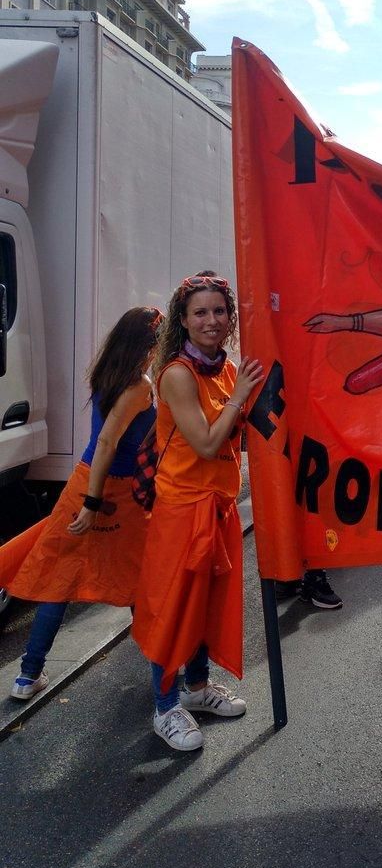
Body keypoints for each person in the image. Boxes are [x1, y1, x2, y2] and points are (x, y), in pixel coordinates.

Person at [1, 307, 163, 700]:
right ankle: (162, 674)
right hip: (114, 492)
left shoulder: (107, 373)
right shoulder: (139, 384)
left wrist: (87, 497)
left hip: (83, 481)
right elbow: (108, 441)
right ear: (148, 343)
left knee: (61, 579)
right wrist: (92, 502)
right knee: (140, 579)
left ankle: (27, 676)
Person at [131, 273, 263, 753]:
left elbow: (240, 433)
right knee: (173, 609)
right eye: (200, 313)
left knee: (206, 606)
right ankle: (165, 708)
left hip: (219, 506)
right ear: (183, 321)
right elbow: (208, 443)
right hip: (182, 510)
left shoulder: (227, 369)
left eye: (219, 311)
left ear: (230, 319)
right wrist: (240, 396)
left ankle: (197, 688)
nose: (211, 320)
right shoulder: (178, 374)